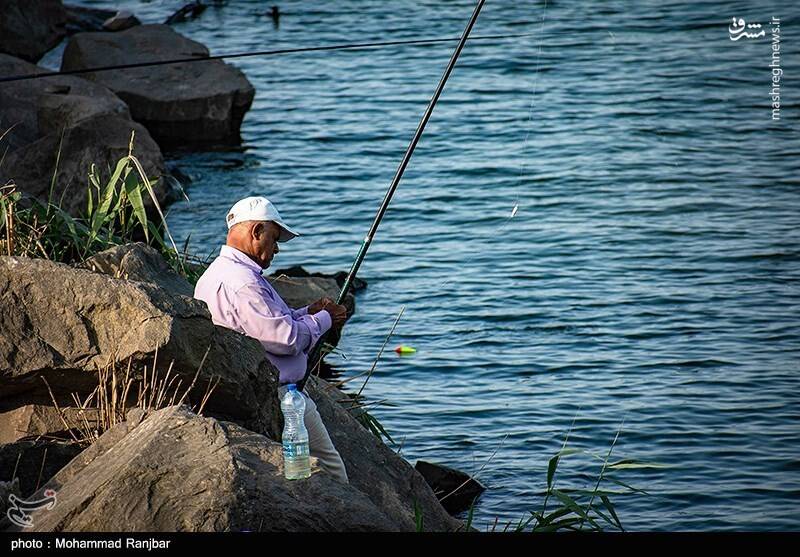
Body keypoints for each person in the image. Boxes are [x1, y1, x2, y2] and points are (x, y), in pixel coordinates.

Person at [194, 196, 349, 483]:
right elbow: (285, 338)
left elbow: (265, 325)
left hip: (251, 392)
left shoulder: (217, 274)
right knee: (331, 469)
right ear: (256, 232)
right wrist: (327, 318)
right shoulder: (244, 282)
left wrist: (307, 312)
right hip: (278, 398)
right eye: (274, 238)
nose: (276, 249)